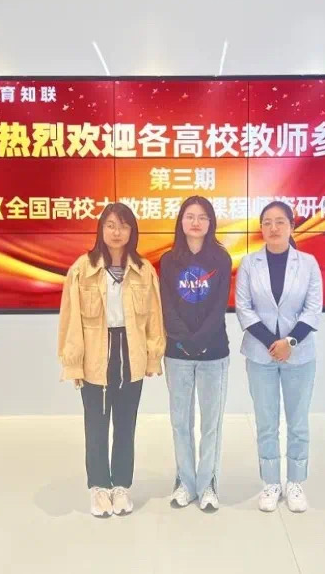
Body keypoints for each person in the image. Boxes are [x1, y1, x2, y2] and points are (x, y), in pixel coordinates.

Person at [58, 202, 166, 518]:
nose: (116, 232)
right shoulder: (83, 269)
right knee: (96, 424)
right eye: (110, 225)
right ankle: (98, 487)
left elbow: (154, 318)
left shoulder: (144, 270)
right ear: (101, 230)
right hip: (95, 352)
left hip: (130, 351)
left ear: (132, 231)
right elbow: (70, 320)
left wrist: (153, 357)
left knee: (125, 424)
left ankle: (121, 485)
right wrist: (73, 363)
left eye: (123, 225)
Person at [235, 201, 323, 513]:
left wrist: (290, 342)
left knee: (297, 422)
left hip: (299, 355)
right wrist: (273, 344)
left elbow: (313, 309)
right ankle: (271, 482)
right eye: (267, 222)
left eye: (280, 222)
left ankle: (295, 482)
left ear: (291, 226)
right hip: (260, 355)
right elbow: (244, 308)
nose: (273, 228)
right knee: (266, 422)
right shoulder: (249, 263)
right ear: (261, 228)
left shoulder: (308, 263)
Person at [159, 196, 232, 512]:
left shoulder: (221, 258)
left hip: (213, 351)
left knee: (211, 422)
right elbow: (167, 305)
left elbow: (219, 306)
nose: (196, 222)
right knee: (181, 421)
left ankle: (208, 484)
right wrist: (185, 341)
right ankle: (185, 483)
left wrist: (201, 340)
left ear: (210, 222)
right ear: (181, 221)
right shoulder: (168, 260)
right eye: (190, 216)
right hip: (177, 352)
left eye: (203, 217)